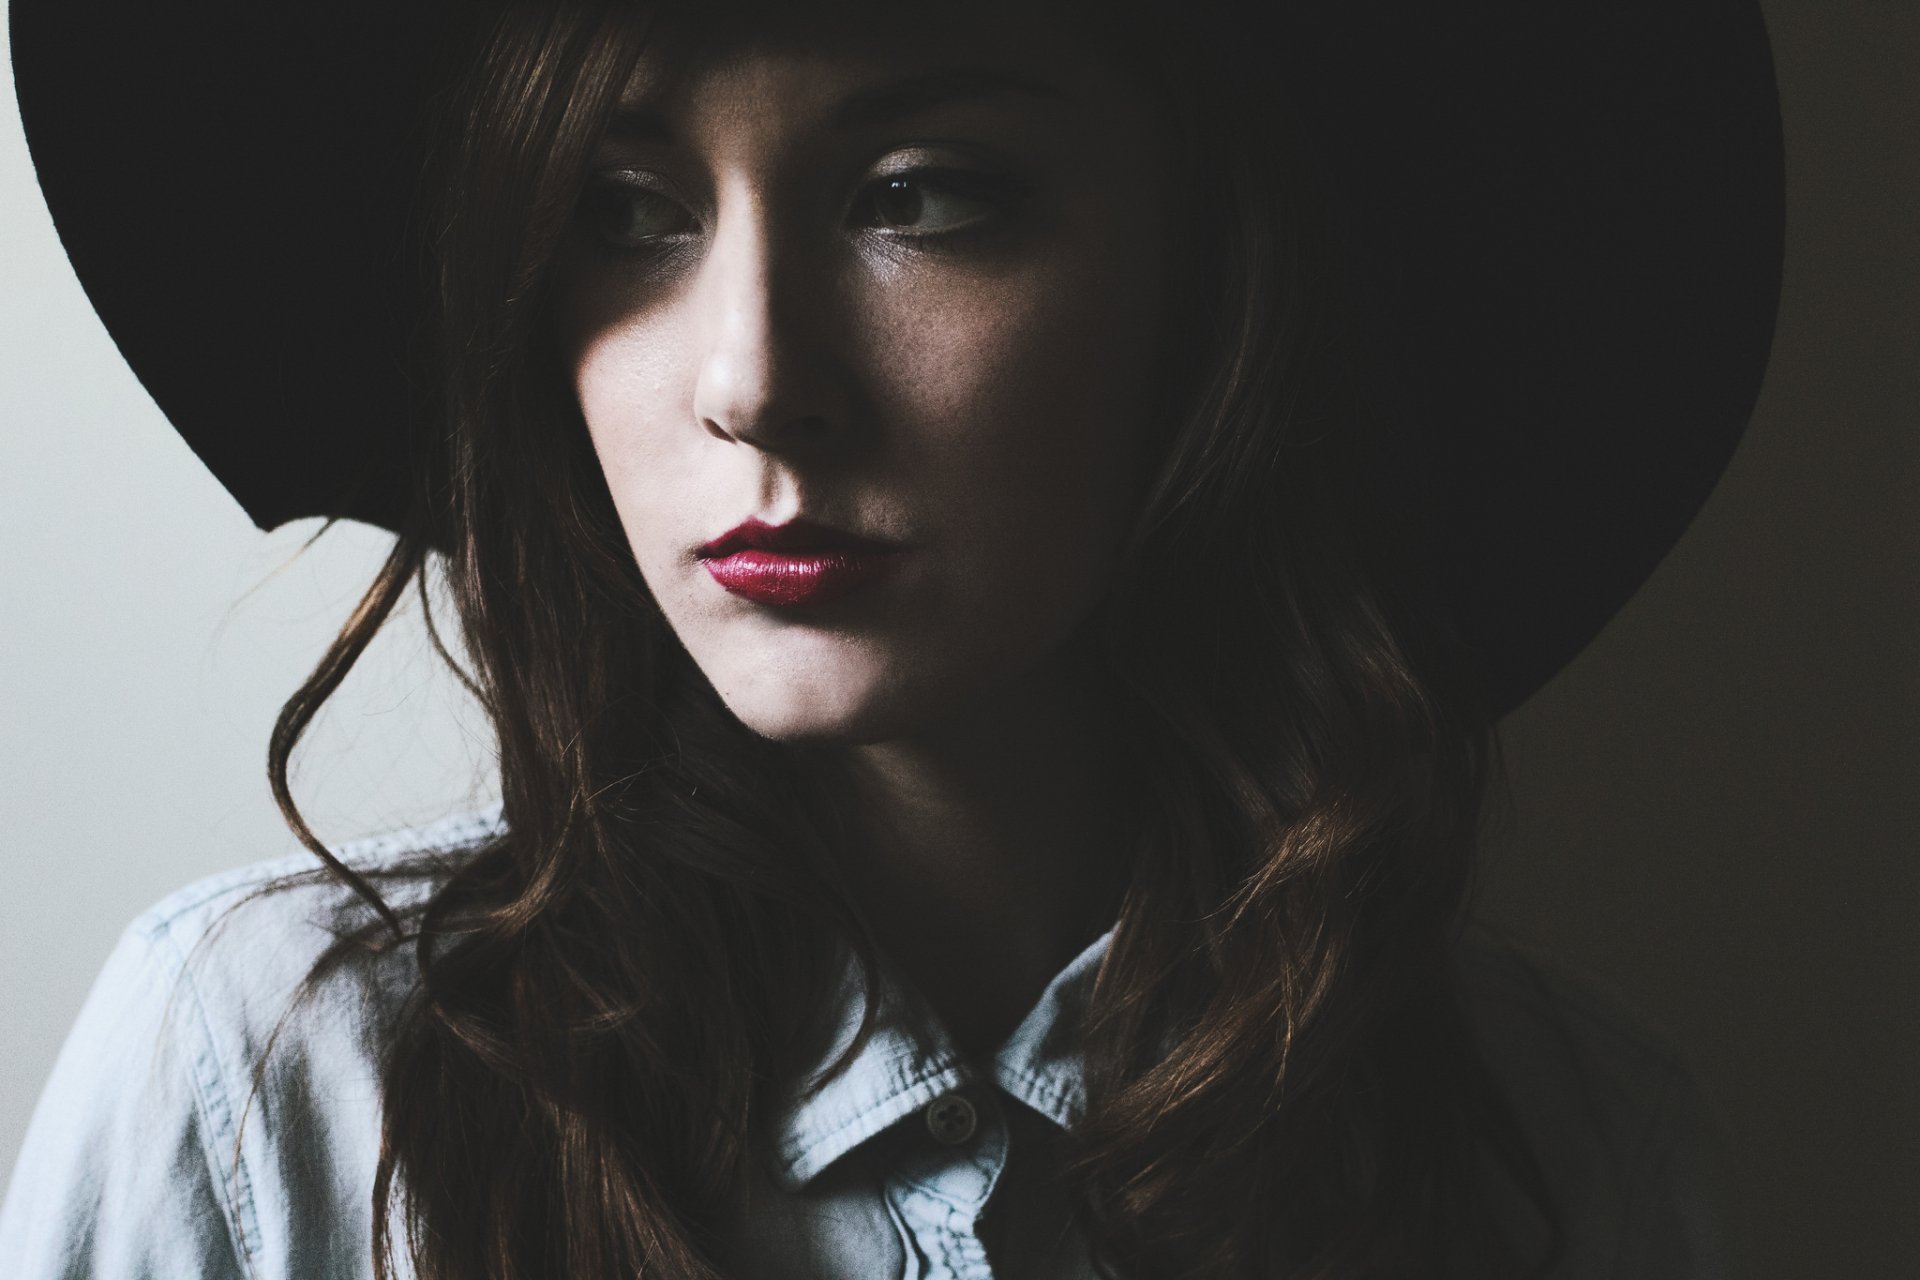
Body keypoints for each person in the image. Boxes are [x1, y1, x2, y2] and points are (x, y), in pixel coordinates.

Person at [0, 0, 1783, 1276]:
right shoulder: (272, 1089)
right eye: (627, 214)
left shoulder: (1554, 1154)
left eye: (919, 195)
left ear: (1205, 284)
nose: (753, 380)